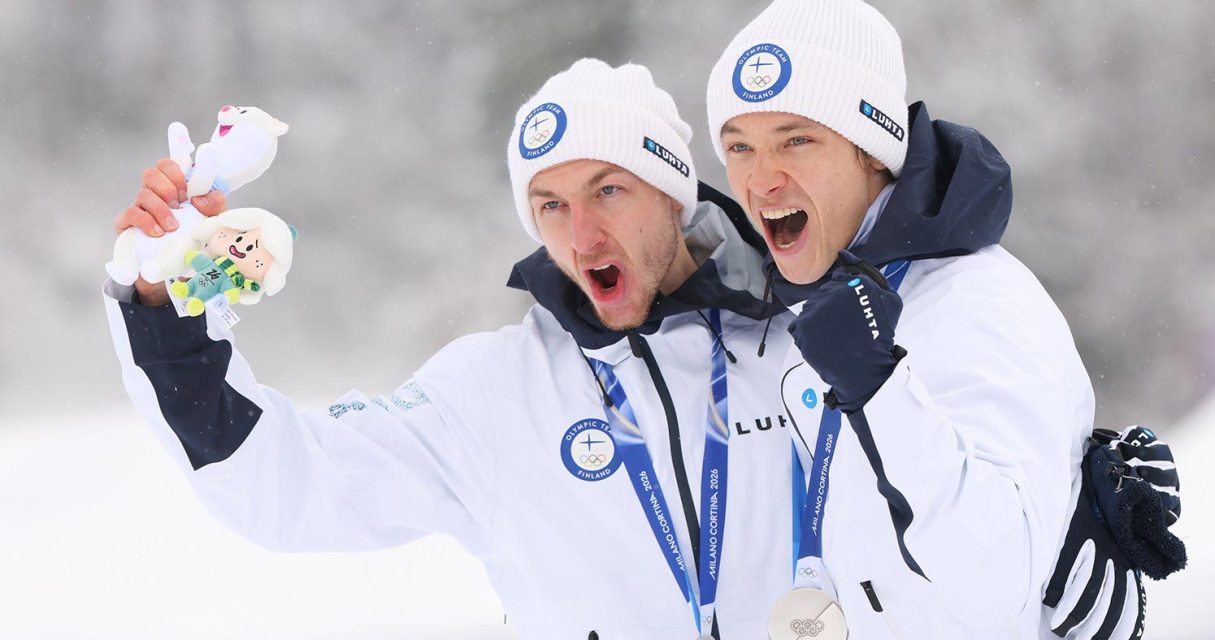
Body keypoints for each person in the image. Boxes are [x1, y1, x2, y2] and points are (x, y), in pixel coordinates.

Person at [104, 59, 800, 639]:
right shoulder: (494, 391)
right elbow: (281, 484)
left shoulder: (809, 345)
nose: (581, 236)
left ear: (671, 193)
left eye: (608, 191)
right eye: (550, 205)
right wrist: (167, 304)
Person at [704, 0, 1149, 638]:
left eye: (796, 140)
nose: (761, 180)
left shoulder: (981, 303)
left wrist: (879, 389)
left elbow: (996, 587)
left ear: (873, 152)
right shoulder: (801, 307)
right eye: (739, 147)